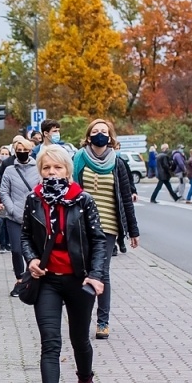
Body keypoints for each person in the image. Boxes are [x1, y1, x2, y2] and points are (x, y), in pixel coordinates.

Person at [19, 145, 109, 383]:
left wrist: (95, 276)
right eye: (46, 168)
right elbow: (24, 236)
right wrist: (31, 259)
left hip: (78, 279)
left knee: (79, 339)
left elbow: (98, 242)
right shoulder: (34, 200)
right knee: (50, 342)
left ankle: (85, 382)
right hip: (47, 280)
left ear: (67, 170)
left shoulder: (82, 200)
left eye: (57, 167)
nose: (51, 172)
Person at [72, 118, 141, 339]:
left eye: (104, 131)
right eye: (96, 131)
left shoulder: (118, 163)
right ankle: (81, 318)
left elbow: (125, 200)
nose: (100, 134)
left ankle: (103, 322)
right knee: (81, 272)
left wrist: (133, 230)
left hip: (108, 226)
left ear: (110, 137)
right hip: (82, 224)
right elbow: (71, 189)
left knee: (101, 272)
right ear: (89, 136)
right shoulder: (79, 159)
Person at [0, 135, 40, 289]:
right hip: (13, 216)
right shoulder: (9, 170)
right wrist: (12, 209)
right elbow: (4, 192)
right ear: (15, 152)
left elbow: (40, 190)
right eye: (19, 150)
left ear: (30, 151)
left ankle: (32, 279)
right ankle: (20, 278)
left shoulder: (37, 169)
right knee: (16, 250)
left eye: (25, 150)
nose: (22, 152)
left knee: (34, 250)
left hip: (33, 216)